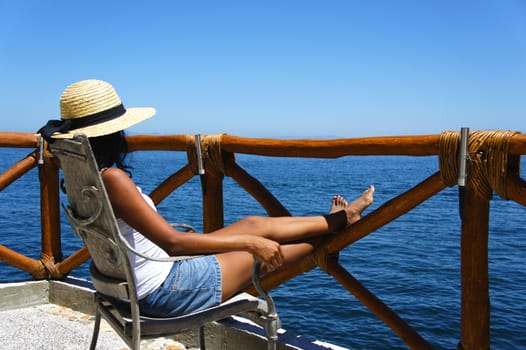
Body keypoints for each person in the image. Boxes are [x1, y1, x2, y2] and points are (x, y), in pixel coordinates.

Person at [38, 79, 374, 317]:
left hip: (122, 286)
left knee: (254, 223)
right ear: (114, 132)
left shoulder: (82, 177)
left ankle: (337, 220)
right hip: (163, 291)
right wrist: (250, 244)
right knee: (282, 247)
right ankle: (337, 230)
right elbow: (173, 244)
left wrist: (248, 236)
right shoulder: (112, 179)